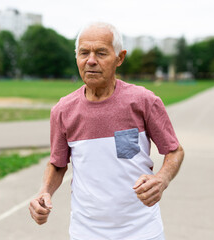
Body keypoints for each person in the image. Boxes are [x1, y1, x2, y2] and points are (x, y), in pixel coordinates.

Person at [29, 22, 184, 240]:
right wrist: (44, 191)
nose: (91, 60)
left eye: (101, 53)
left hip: (142, 230)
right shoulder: (63, 110)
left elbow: (174, 151)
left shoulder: (144, 101)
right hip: (86, 232)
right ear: (77, 58)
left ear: (119, 58)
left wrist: (162, 178)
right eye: (84, 53)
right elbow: (57, 163)